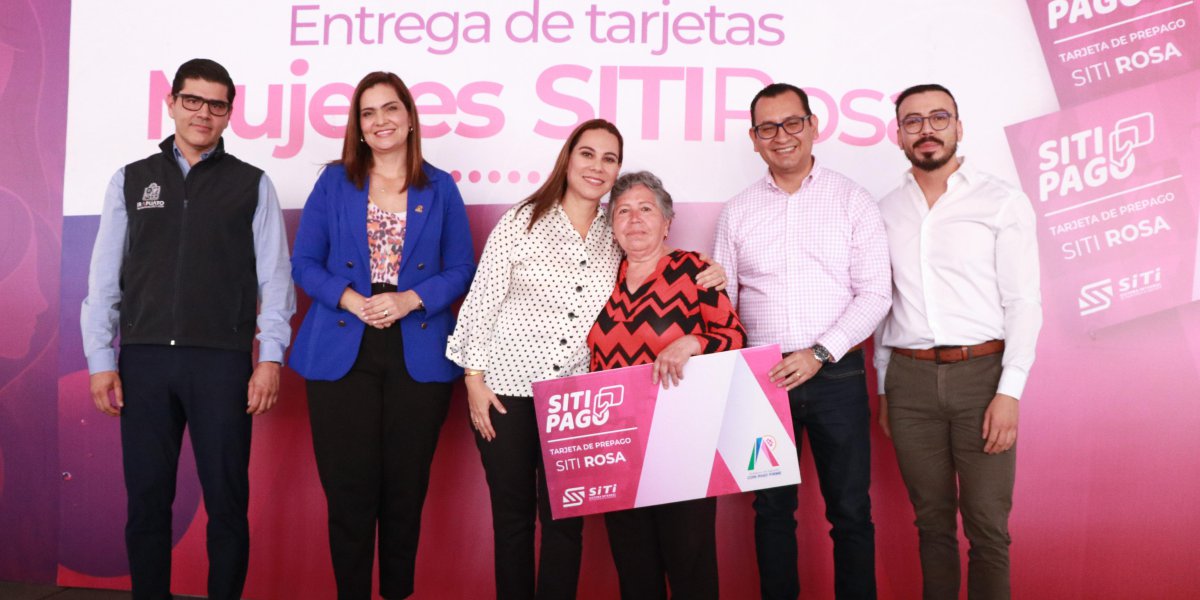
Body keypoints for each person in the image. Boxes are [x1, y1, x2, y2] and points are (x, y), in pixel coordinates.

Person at [445, 119, 723, 599]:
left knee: (565, 524)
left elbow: (651, 260)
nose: (597, 166)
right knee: (512, 521)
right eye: (588, 154)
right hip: (505, 392)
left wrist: (706, 271)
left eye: (609, 158)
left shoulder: (614, 231)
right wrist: (473, 379)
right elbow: (481, 301)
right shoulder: (522, 220)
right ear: (568, 159)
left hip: (576, 400)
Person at [80, 58, 295, 600]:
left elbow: (275, 278)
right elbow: (104, 278)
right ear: (171, 103)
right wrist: (101, 360)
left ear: (229, 113)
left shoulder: (252, 184)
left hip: (222, 363)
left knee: (227, 504)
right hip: (145, 361)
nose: (203, 113)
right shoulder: (130, 179)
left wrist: (270, 358)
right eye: (192, 100)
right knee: (147, 503)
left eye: (216, 104)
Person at [288, 71, 476, 599]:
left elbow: (462, 268)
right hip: (343, 344)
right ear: (358, 125)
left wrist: (409, 299)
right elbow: (304, 263)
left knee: (404, 491)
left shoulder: (441, 187)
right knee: (347, 492)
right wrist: (353, 300)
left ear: (410, 117)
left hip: (418, 346)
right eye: (367, 113)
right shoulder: (334, 182)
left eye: (390, 108)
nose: (380, 121)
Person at [713, 82, 891, 600]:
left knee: (851, 512)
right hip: (763, 379)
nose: (782, 136)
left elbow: (875, 294)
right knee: (771, 512)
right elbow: (722, 302)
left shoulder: (853, 200)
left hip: (837, 374)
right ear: (753, 139)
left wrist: (818, 353)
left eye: (792, 123)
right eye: (768, 128)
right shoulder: (737, 211)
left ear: (813, 126)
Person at [874, 84, 1041, 600]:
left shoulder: (1001, 201)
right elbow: (883, 304)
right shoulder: (884, 210)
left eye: (938, 118)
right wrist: (884, 388)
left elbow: (1024, 303)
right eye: (913, 121)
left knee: (988, 527)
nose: (926, 129)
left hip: (982, 379)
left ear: (959, 127)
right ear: (898, 134)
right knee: (932, 524)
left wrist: (1009, 393)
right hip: (909, 383)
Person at [587, 171, 746, 600]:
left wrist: (693, 342)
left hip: (682, 442)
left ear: (667, 222)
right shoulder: (601, 277)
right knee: (634, 568)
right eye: (623, 211)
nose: (634, 219)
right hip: (616, 445)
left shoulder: (695, 271)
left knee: (690, 564)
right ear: (612, 226)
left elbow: (734, 337)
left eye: (646, 209)